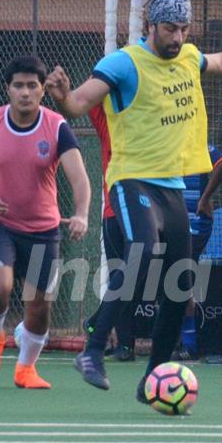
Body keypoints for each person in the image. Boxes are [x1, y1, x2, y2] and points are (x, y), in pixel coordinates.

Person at [44, 0, 222, 398]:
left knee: (180, 283)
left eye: (184, 29)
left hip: (170, 185)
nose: (178, 36)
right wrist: (62, 96)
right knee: (142, 250)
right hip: (132, 178)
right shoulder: (124, 62)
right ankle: (94, 349)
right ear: (151, 25)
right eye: (170, 28)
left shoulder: (188, 56)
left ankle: (154, 377)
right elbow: (78, 104)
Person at [0, 55, 90, 389]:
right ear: (8, 89)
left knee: (40, 308)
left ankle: (26, 369)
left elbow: (80, 178)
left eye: (32, 85)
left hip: (43, 228)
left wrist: (83, 214)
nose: (25, 92)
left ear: (43, 90)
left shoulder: (57, 126)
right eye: (18, 85)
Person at [85, 103, 136, 362]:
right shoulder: (109, 126)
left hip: (148, 212)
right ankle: (125, 344)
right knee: (121, 274)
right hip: (114, 214)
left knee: (140, 273)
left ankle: (96, 319)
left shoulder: (154, 127)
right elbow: (92, 97)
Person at [176, 143, 222, 359]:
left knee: (180, 281)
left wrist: (205, 198)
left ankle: (189, 344)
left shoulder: (197, 141)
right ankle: (183, 341)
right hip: (170, 223)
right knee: (172, 283)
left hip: (195, 224)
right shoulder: (163, 141)